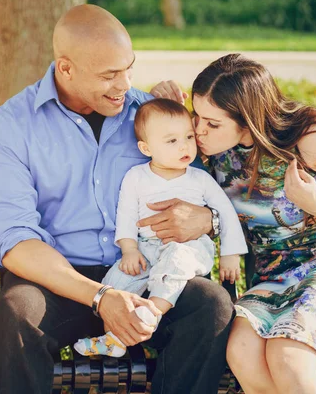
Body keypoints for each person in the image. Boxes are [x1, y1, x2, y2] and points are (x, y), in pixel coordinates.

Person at [0, 4, 235, 394]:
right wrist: (101, 297)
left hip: (144, 274)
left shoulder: (149, 117)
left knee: (210, 304)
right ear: (65, 69)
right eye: (109, 75)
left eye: (128, 68)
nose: (125, 84)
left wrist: (209, 219)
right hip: (57, 283)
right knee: (17, 315)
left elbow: (214, 183)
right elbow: (14, 242)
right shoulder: (11, 128)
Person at [151, 53, 316, 394]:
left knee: (290, 356)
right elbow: (155, 142)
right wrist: (159, 102)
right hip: (274, 270)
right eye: (196, 115)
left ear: (248, 121)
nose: (198, 130)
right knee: (242, 352)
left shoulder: (311, 136)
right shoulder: (210, 148)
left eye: (212, 123)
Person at [73, 98, 248, 358]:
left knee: (176, 264)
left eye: (189, 136)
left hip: (189, 247)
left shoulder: (200, 179)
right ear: (146, 148)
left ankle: (152, 312)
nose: (185, 145)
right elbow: (127, 214)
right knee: (117, 281)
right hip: (146, 248)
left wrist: (230, 254)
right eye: (171, 141)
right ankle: (115, 338)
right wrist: (130, 249)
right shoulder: (136, 176)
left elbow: (225, 213)